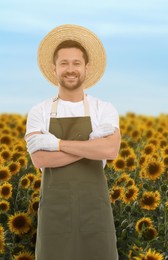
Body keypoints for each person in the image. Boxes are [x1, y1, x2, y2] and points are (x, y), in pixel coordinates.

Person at [25, 24, 120, 260]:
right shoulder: (40, 111)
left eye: (76, 63)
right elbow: (40, 158)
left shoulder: (104, 108)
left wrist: (56, 143)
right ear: (54, 68)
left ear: (86, 68)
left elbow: (110, 149)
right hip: (55, 215)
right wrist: (90, 146)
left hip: (94, 212)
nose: (70, 69)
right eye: (64, 63)